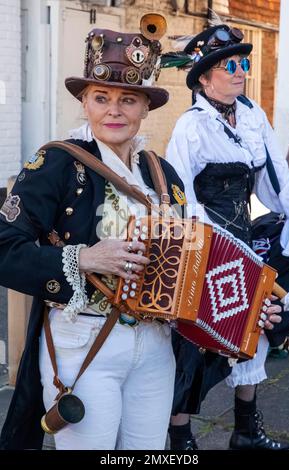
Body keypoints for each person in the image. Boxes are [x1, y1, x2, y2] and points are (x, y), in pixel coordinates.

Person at [0, 15, 186, 450]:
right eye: (101, 97)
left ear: (146, 107)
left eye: (128, 99)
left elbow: (190, 255)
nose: (114, 110)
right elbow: (4, 248)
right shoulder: (56, 163)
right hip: (82, 341)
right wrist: (84, 258)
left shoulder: (163, 174)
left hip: (155, 346)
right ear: (84, 102)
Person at [165, 23, 289, 450]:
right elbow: (180, 196)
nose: (240, 71)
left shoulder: (252, 115)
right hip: (204, 241)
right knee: (191, 340)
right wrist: (216, 248)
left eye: (243, 63)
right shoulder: (190, 127)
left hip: (244, 235)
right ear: (204, 78)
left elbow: (276, 183)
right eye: (229, 66)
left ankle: (245, 430)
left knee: (255, 328)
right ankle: (182, 440)